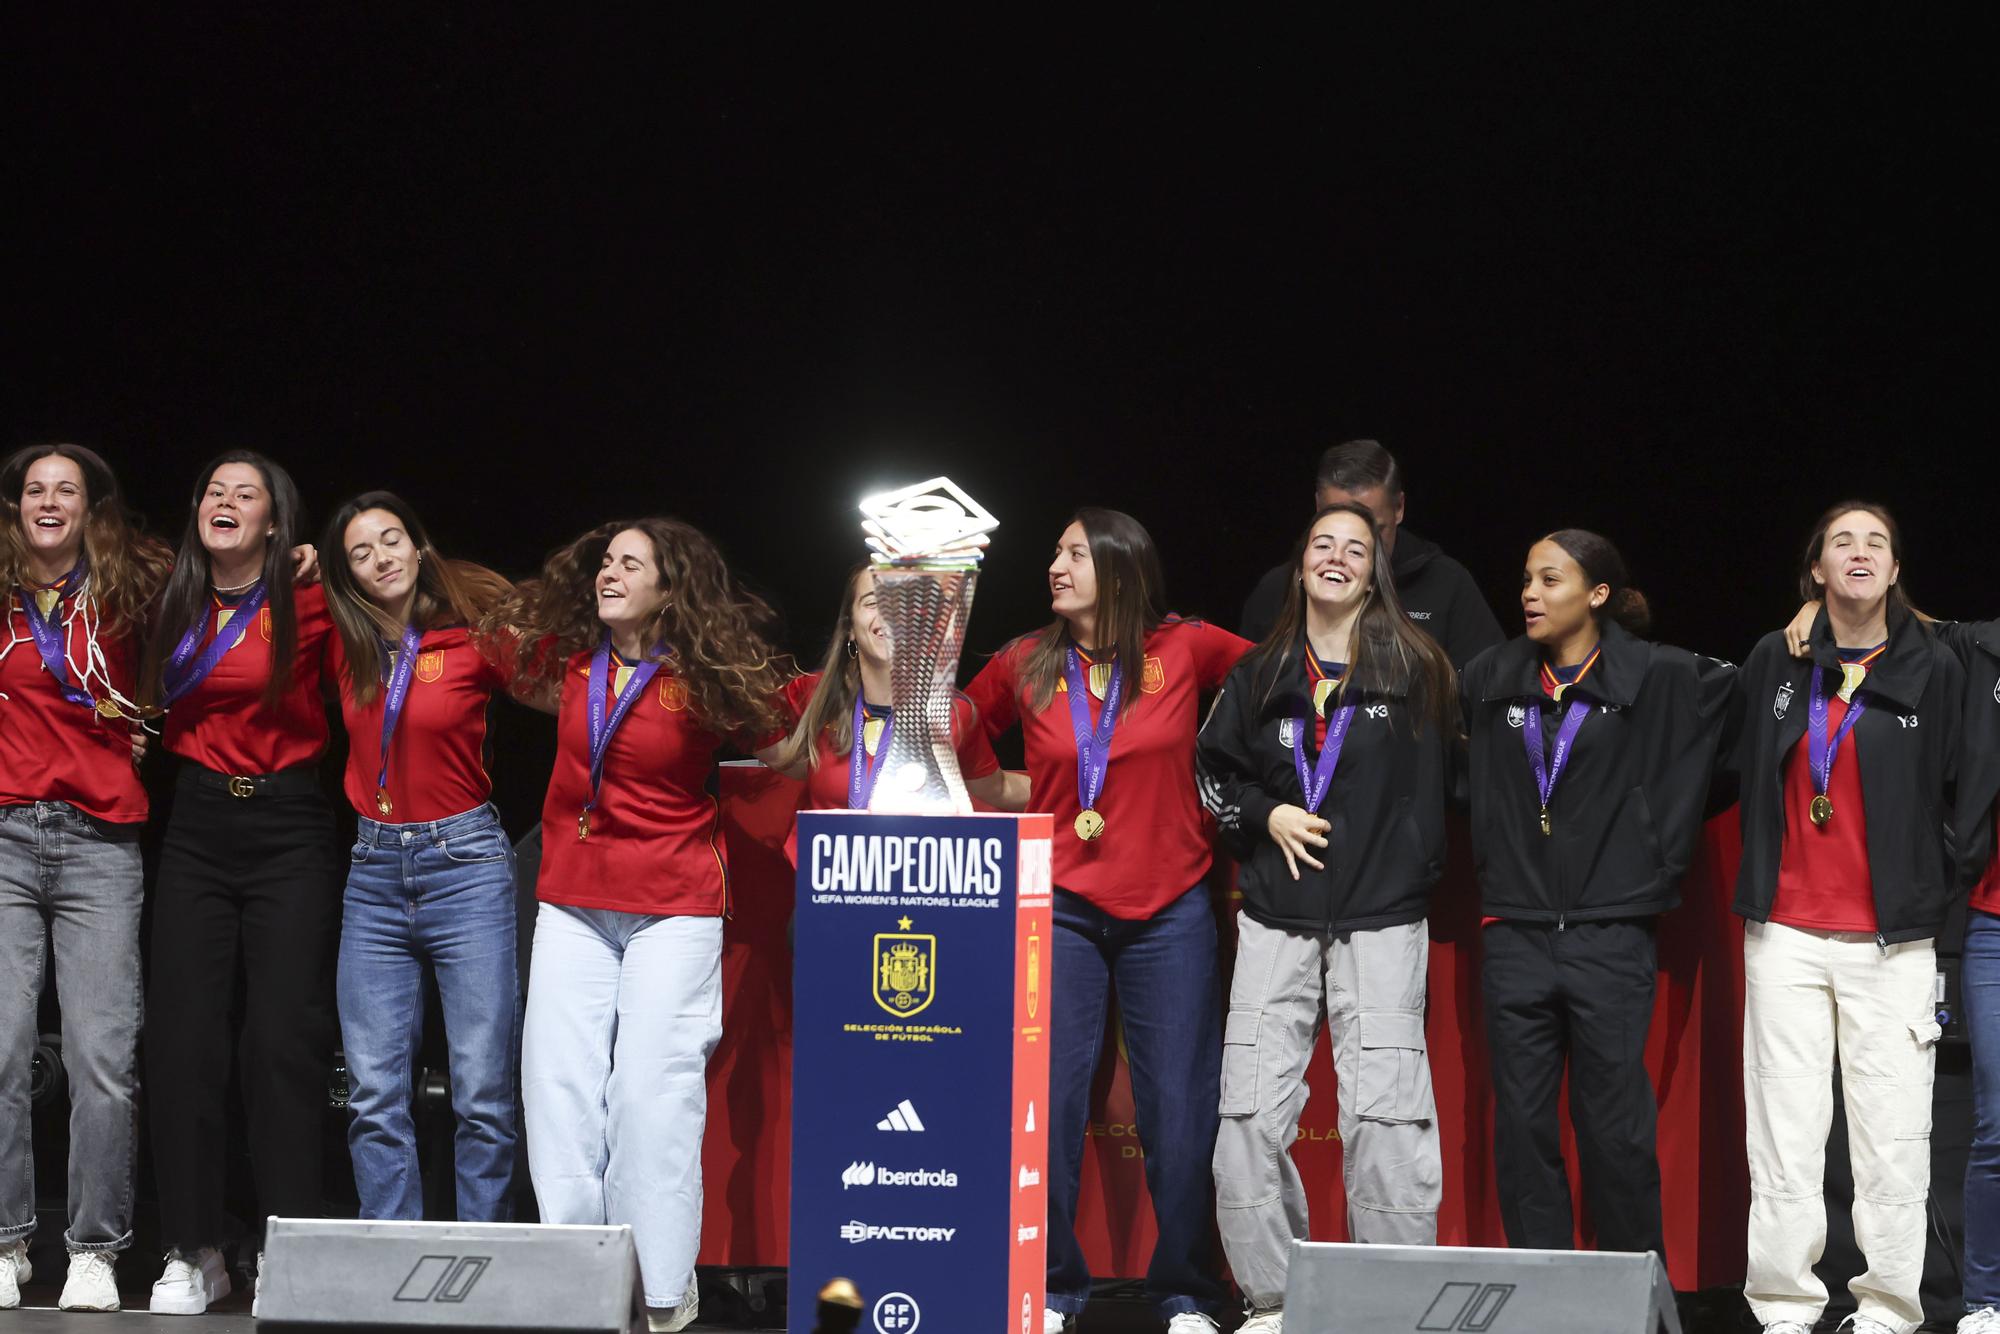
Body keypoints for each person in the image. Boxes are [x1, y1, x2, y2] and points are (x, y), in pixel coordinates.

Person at [490, 518, 792, 1334]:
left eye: (633, 563)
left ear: (670, 588)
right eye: (606, 561)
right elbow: (484, 630)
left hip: (673, 906)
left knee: (650, 1101)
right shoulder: (571, 663)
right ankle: (579, 1280)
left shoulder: (707, 675)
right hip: (573, 902)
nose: (610, 573)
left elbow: (786, 747)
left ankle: (662, 1291)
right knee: (557, 1092)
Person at [966, 507, 1249, 1334]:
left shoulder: (1187, 645)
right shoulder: (1026, 660)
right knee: (1048, 1104)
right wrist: (1027, 799)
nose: (1055, 566)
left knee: (1178, 1108)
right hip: (1060, 909)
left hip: (1173, 908)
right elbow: (957, 733)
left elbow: (1281, 684)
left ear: (1122, 571)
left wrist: (1239, 790)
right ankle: (1051, 1287)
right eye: (1055, 552)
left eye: (1076, 554)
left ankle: (1190, 1290)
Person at [1197, 502, 1458, 1333]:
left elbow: (1451, 780)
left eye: (1356, 547)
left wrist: (1410, 865)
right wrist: (1265, 815)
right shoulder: (1259, 673)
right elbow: (1212, 776)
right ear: (1300, 563)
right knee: (1245, 1117)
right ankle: (1277, 1300)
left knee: (1386, 1118)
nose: (1338, 558)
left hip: (1381, 920)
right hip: (1275, 916)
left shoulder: (1418, 666)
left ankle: (1389, 1304)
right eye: (1322, 544)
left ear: (1376, 567)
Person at [1458, 529, 1732, 1261]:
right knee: (1521, 1125)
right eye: (1525, 579)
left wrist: (1655, 845)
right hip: (1514, 930)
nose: (1530, 594)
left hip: (1611, 932)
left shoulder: (1659, 675)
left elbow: (1744, 708)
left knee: (1614, 1127)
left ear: (1597, 594)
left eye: (1550, 580)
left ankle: (1627, 1283)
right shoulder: (1492, 676)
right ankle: (1540, 1286)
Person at [1731, 502, 1962, 1334]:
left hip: (1889, 940)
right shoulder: (1778, 658)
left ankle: (1889, 1312)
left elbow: (1963, 786)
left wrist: (1940, 879)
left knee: (1892, 1138)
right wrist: (1807, 624)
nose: (1860, 552)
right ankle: (1786, 1310)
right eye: (1842, 543)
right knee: (1785, 1138)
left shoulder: (1937, 665)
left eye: (1877, 544)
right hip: (1785, 934)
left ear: (1896, 572)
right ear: (1817, 570)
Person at [140, 451, 341, 1316]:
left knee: (279, 1047)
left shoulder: (311, 597)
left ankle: (286, 1248)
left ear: (274, 522)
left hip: (291, 826)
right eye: (212, 491)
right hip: (193, 827)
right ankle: (195, 1250)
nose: (223, 502)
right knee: (183, 1045)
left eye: (244, 494)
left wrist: (324, 563)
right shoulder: (169, 598)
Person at [321, 491, 523, 1222]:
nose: (381, 558)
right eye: (360, 551)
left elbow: (566, 696)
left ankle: (484, 1265)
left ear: (418, 545)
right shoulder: (344, 643)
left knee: (481, 1092)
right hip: (372, 872)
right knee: (373, 1091)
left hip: (464, 865)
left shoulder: (474, 642)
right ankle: (391, 1261)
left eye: (392, 539)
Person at [0, 444, 169, 1312]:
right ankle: (5, 1239)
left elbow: (217, 598)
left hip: (101, 841)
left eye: (67, 489)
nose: (50, 500)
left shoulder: (126, 588)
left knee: (104, 1055)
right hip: (4, 838)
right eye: (35, 489)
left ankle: (95, 1250)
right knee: (0, 1046)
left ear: (90, 506)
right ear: (16, 506)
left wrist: (289, 562)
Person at [769, 563, 1025, 838]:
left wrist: (1073, 789)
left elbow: (998, 788)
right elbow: (748, 722)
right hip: (826, 876)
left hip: (909, 875)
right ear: (850, 628)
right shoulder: (814, 694)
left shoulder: (953, 713)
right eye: (872, 602)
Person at [1238, 439, 1502, 666]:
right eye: (1339, 527)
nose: (1349, 553)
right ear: (1318, 508)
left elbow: (1488, 698)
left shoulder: (1447, 584)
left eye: (1373, 531)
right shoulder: (1277, 589)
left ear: (1399, 507)